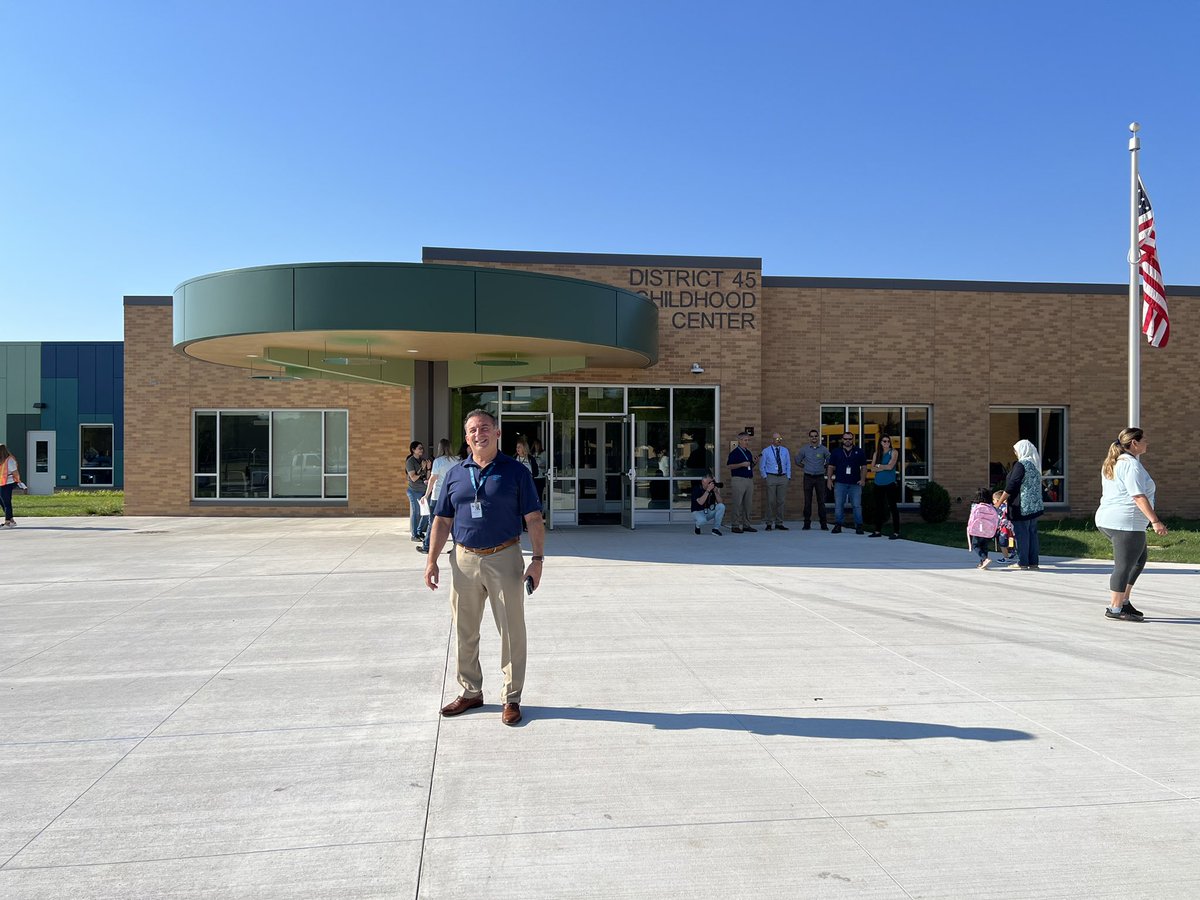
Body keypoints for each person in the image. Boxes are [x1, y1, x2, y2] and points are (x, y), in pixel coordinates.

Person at [425, 409, 543, 727]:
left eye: (485, 428)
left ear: (497, 432)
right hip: (463, 560)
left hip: (504, 557)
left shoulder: (515, 473)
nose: (479, 434)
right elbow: (442, 519)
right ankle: (470, 691)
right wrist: (431, 560)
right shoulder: (455, 474)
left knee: (511, 630)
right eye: (473, 430)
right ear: (466, 438)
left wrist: (538, 560)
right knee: (464, 629)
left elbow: (533, 518)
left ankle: (511, 697)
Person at [1096, 427, 1168, 621]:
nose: (1147, 443)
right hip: (1125, 522)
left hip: (1113, 519)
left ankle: (1124, 602)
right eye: (1144, 440)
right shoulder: (1130, 465)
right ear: (1134, 443)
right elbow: (1137, 495)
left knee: (1138, 560)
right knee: (1124, 565)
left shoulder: (1116, 462)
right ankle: (1115, 608)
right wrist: (1155, 521)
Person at [996, 439, 1044, 570]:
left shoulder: (1020, 465)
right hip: (1034, 506)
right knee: (1032, 534)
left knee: (1022, 534)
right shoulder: (1034, 465)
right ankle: (1033, 562)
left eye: (1016, 450)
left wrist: (999, 502)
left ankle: (1023, 562)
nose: (1015, 453)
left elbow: (1012, 484)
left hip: (1022, 506)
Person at [418, 439, 459, 554]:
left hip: (438, 496)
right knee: (454, 523)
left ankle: (427, 546)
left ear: (439, 448)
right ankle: (457, 547)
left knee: (433, 522)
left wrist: (426, 495)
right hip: (452, 495)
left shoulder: (438, 461)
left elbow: (432, 479)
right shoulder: (456, 460)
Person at [826, 432, 867, 534]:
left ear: (853, 439)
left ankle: (859, 526)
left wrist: (862, 479)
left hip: (855, 483)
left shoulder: (859, 451)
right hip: (840, 483)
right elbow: (831, 466)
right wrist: (829, 479)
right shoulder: (836, 452)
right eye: (845, 439)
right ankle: (838, 525)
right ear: (842, 440)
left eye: (850, 439)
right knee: (839, 505)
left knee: (857, 505)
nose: (847, 440)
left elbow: (864, 467)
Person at [796, 429, 830, 530]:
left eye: (815, 436)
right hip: (808, 477)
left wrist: (824, 468)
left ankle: (823, 524)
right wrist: (805, 467)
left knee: (821, 501)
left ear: (818, 437)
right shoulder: (804, 449)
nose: (814, 438)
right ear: (809, 438)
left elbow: (829, 461)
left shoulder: (824, 449)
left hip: (819, 478)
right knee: (807, 501)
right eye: (812, 436)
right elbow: (797, 461)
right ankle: (807, 523)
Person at [868, 435, 901, 539]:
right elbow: (872, 469)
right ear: (880, 442)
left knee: (893, 507)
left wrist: (879, 466)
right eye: (884, 441)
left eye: (888, 441)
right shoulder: (876, 453)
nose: (887, 443)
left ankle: (896, 532)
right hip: (878, 484)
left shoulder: (894, 452)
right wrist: (883, 466)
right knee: (879, 508)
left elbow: (890, 466)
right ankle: (877, 531)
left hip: (890, 484)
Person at [758, 432, 792, 530]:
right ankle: (769, 523)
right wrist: (765, 477)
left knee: (781, 501)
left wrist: (788, 476)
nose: (779, 440)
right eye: (777, 439)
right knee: (770, 501)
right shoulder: (766, 451)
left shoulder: (785, 450)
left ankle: (779, 523)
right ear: (772, 440)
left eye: (780, 439)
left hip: (783, 477)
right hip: (771, 476)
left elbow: (788, 464)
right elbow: (762, 466)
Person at [725, 432, 757, 534]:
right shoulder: (734, 453)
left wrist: (754, 463)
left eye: (748, 440)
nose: (747, 442)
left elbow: (749, 466)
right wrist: (741, 464)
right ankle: (735, 525)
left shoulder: (748, 452)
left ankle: (746, 525)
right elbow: (729, 466)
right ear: (739, 441)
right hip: (738, 480)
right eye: (745, 440)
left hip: (748, 479)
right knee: (737, 503)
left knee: (748, 504)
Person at [966, 487, 1001, 569]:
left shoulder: (975, 506)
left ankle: (984, 559)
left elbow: (972, 518)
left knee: (975, 545)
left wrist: (969, 528)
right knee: (984, 546)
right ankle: (982, 563)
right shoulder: (991, 507)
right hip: (988, 531)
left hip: (977, 530)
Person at [405, 441, 431, 542]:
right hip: (413, 490)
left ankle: (419, 531)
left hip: (423, 490)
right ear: (413, 450)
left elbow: (427, 478)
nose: (422, 450)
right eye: (419, 448)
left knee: (426, 513)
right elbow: (414, 478)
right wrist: (422, 468)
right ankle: (414, 534)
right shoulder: (410, 462)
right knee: (416, 512)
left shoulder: (422, 460)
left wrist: (428, 469)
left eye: (422, 448)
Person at [0, 444, 24, 528]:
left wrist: (18, 481)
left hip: (8, 483)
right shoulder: (1, 460)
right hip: (2, 483)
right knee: (2, 502)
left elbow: (15, 472)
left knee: (6, 502)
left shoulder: (9, 460)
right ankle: (11, 520)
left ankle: (7, 522)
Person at [993, 491, 1016, 562]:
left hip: (1003, 528)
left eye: (993, 500)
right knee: (1011, 539)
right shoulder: (1008, 506)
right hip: (1011, 527)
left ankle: (1006, 557)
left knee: (1002, 543)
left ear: (997, 500)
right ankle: (1012, 551)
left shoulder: (998, 508)